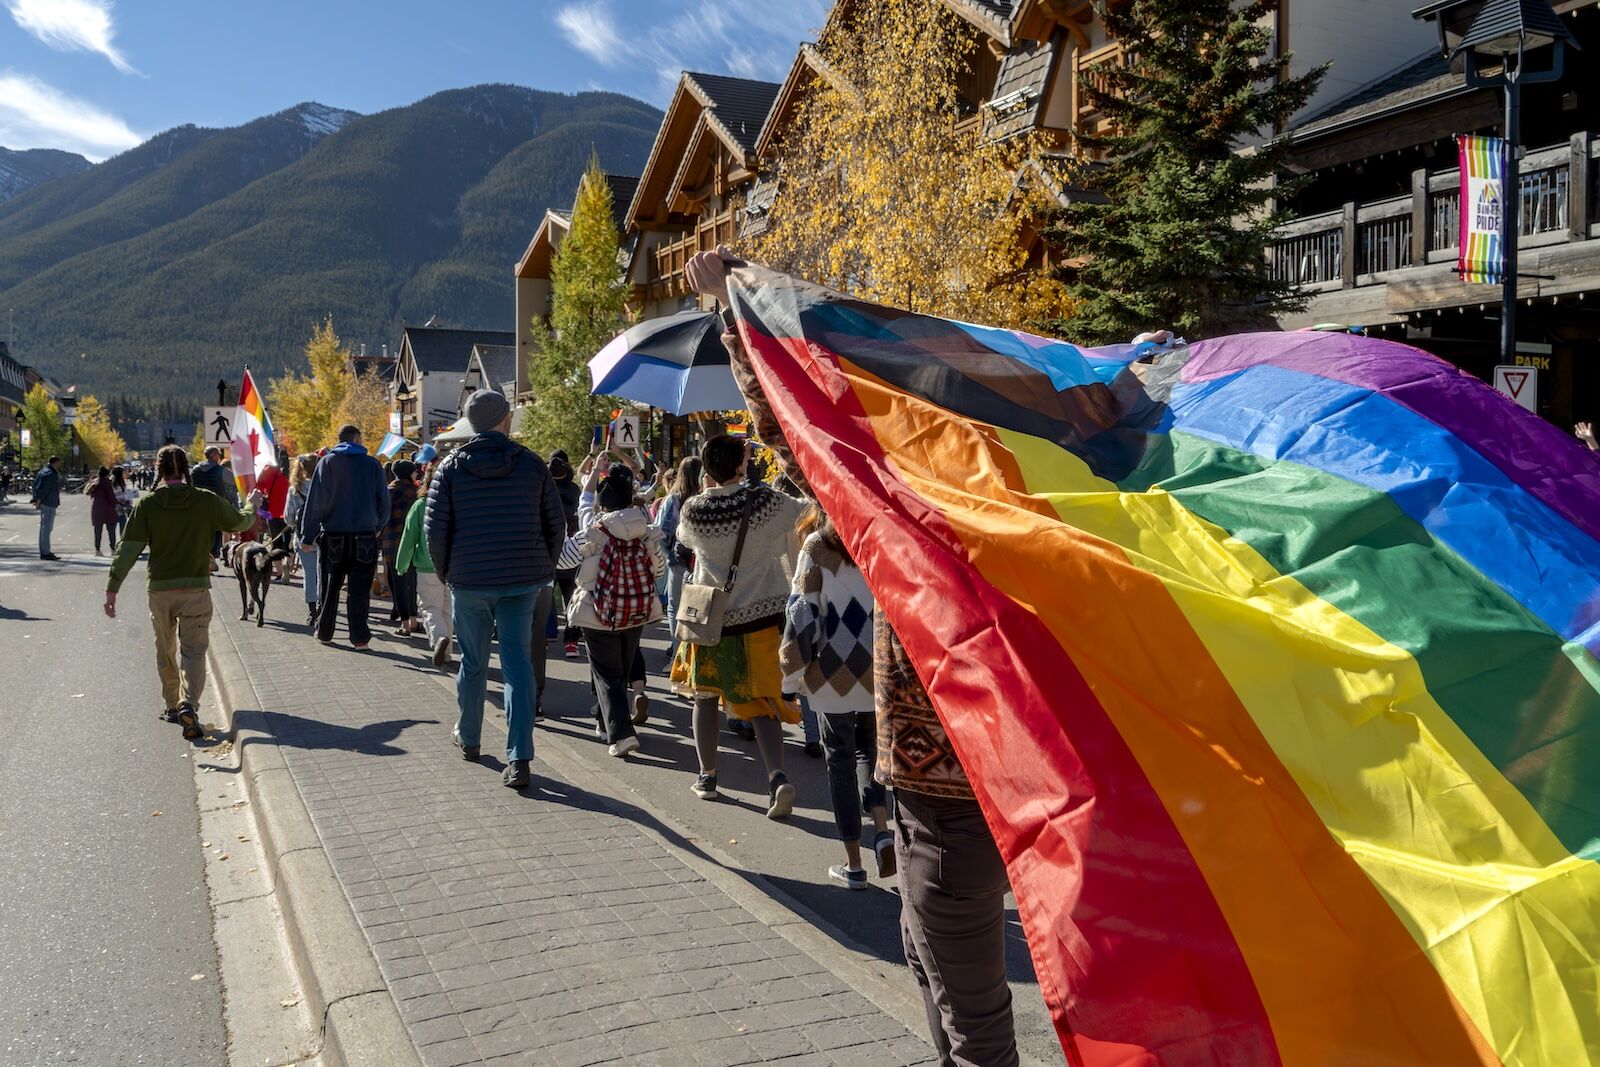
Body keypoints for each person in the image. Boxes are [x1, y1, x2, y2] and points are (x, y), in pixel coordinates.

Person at [684, 245, 1019, 1064]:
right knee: (929, 961)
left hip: (952, 792)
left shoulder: (917, 521)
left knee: (972, 1012)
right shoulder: (1017, 511)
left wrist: (737, 304)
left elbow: (792, 430)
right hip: (949, 785)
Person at [425, 390, 565, 789]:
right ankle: (519, 756)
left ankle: (469, 737)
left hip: (470, 580)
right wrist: (542, 566)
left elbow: (436, 532)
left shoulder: (450, 468)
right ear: (505, 419)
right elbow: (555, 525)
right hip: (522, 579)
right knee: (518, 664)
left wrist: (449, 572)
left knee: (473, 661)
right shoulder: (531, 465)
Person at [671, 433, 805, 817]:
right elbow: (803, 511)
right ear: (740, 465)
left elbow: (684, 542)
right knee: (762, 703)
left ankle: (707, 776)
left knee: (705, 698)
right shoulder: (764, 502)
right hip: (761, 621)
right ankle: (778, 776)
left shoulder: (694, 510)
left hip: (711, 623)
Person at [105, 445, 262, 740]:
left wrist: (112, 588)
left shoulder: (148, 504)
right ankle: (189, 704)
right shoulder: (205, 501)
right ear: (185, 469)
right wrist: (251, 503)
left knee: (164, 648)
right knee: (194, 650)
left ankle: (172, 706)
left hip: (161, 589)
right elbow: (241, 522)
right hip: (196, 587)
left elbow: (127, 550)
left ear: (159, 470)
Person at [779, 508, 892, 889]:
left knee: (839, 762)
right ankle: (882, 830)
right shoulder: (878, 537)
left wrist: (790, 679)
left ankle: (853, 864)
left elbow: (801, 616)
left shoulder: (816, 545)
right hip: (875, 668)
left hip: (831, 674)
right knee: (869, 753)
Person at [560, 465, 667, 757]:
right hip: (637, 610)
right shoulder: (646, 532)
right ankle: (606, 723)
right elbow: (658, 569)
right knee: (619, 669)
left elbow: (563, 561)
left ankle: (621, 734)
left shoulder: (595, 532)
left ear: (603, 505)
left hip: (598, 611)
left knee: (606, 673)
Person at [298, 425, 389, 649]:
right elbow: (384, 500)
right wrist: (377, 526)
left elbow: (315, 503)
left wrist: (307, 536)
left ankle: (325, 632)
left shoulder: (327, 463)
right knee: (359, 590)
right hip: (365, 535)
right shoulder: (372, 464)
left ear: (339, 440)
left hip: (334, 535)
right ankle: (360, 638)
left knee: (330, 587)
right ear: (358, 438)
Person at [396, 460, 452, 668]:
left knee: (429, 607)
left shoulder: (420, 506)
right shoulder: (454, 504)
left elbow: (409, 537)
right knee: (447, 609)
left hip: (427, 567)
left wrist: (402, 564)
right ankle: (446, 653)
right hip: (452, 567)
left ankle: (438, 639)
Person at [657, 456, 702, 645]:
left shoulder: (674, 501)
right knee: (698, 609)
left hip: (678, 561)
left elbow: (661, 533)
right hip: (701, 562)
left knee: (675, 608)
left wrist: (669, 556)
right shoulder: (706, 498)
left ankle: (677, 654)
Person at [383, 460, 421, 637]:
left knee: (398, 583)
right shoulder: (416, 492)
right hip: (414, 542)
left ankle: (404, 623)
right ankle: (414, 620)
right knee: (412, 582)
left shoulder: (388, 491)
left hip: (392, 542)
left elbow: (382, 519)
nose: (417, 475)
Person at [284, 453, 321, 626]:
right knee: (322, 574)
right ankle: (323, 606)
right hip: (322, 537)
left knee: (309, 574)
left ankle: (312, 610)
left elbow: (288, 518)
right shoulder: (324, 486)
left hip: (302, 538)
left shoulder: (295, 489)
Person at [191, 446, 238, 570]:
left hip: (199, 506)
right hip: (216, 506)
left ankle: (205, 558)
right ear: (214, 455)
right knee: (216, 533)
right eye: (219, 454)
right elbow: (236, 481)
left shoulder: (195, 470)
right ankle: (211, 556)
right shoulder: (221, 470)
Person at [30, 455, 62, 560]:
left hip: (46, 502)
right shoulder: (51, 474)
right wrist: (38, 500)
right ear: (55, 462)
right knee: (46, 528)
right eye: (59, 463)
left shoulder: (43, 471)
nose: (60, 465)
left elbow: (37, 486)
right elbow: (45, 489)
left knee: (45, 527)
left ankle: (44, 550)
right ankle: (45, 552)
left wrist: (37, 500)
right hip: (48, 502)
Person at [86, 465, 119, 556]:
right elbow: (111, 497)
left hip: (97, 508)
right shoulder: (107, 483)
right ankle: (112, 549)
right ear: (107, 474)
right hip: (108, 509)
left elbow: (90, 493)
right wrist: (118, 502)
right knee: (111, 530)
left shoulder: (94, 482)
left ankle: (97, 550)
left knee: (97, 530)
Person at [112, 466, 139, 543]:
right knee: (114, 528)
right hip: (116, 507)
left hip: (123, 508)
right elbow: (115, 495)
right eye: (123, 472)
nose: (125, 474)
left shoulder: (121, 483)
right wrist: (123, 500)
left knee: (123, 527)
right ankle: (115, 544)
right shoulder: (113, 483)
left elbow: (124, 493)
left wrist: (130, 496)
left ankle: (122, 542)